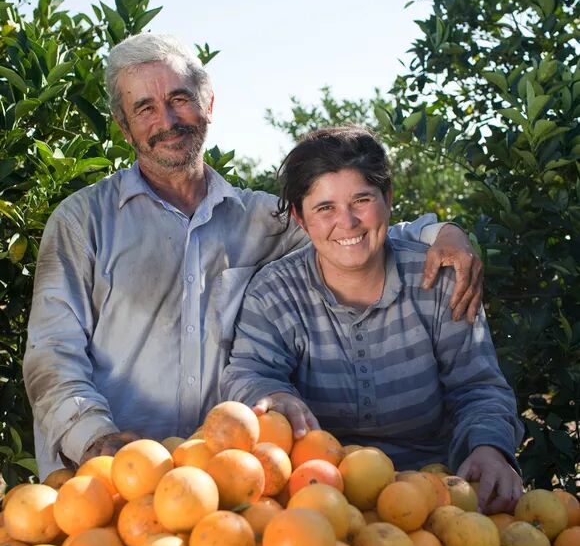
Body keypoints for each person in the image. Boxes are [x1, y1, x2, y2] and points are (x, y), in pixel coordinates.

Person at [23, 34, 483, 480]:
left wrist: (443, 233)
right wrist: (95, 440)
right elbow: (52, 352)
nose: (166, 120)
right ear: (124, 127)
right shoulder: (83, 221)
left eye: (180, 99)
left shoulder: (263, 218)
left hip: (223, 475)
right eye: (144, 108)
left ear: (208, 106)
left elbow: (353, 229)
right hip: (107, 475)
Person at [221, 126, 524, 514]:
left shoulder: (439, 280)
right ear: (300, 217)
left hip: (437, 496)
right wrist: (272, 395)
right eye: (325, 207)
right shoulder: (275, 293)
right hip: (316, 498)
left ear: (389, 200)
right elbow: (248, 372)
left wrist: (489, 447)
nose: (347, 222)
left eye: (361, 199)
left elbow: (478, 386)